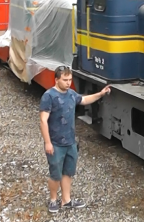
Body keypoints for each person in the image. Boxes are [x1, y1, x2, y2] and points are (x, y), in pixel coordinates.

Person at [39, 65, 111, 213]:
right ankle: (53, 200)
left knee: (68, 173)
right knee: (55, 174)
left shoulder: (71, 94)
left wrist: (101, 94)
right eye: (65, 80)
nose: (68, 82)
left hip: (71, 142)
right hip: (55, 143)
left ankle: (66, 200)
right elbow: (43, 121)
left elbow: (84, 100)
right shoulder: (48, 96)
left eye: (70, 79)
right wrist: (47, 142)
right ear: (56, 79)